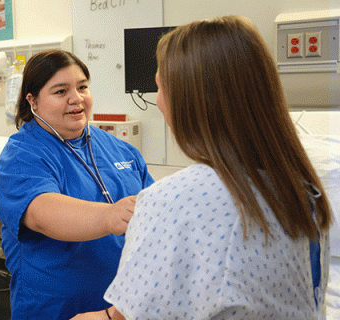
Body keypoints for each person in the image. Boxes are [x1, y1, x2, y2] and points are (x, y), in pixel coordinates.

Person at [73, 16, 333, 320]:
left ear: (188, 100)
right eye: (60, 91)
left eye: (160, 88)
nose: (157, 101)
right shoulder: (304, 194)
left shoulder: (173, 201)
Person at [0, 49, 154, 319]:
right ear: (33, 100)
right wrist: (111, 215)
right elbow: (43, 213)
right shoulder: (22, 155)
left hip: (122, 308)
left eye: (82, 87)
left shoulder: (121, 151)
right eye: (60, 91)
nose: (76, 99)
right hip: (57, 309)